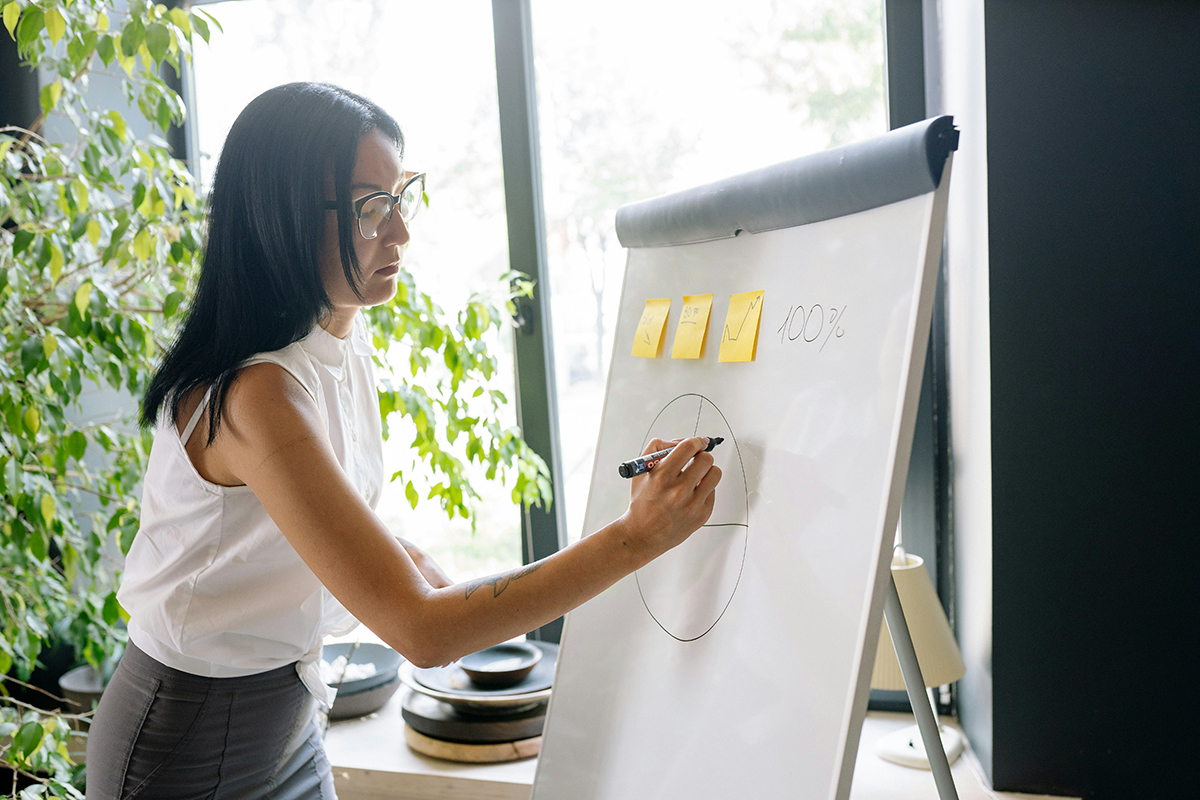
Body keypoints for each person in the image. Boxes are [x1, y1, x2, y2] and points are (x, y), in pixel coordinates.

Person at [85, 82, 721, 797]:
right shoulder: (256, 394)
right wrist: (636, 537)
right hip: (187, 743)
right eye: (370, 207)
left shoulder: (336, 342)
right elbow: (422, 633)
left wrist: (394, 554)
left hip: (287, 715)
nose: (401, 232)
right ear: (285, 216)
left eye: (401, 196)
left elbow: (283, 524)